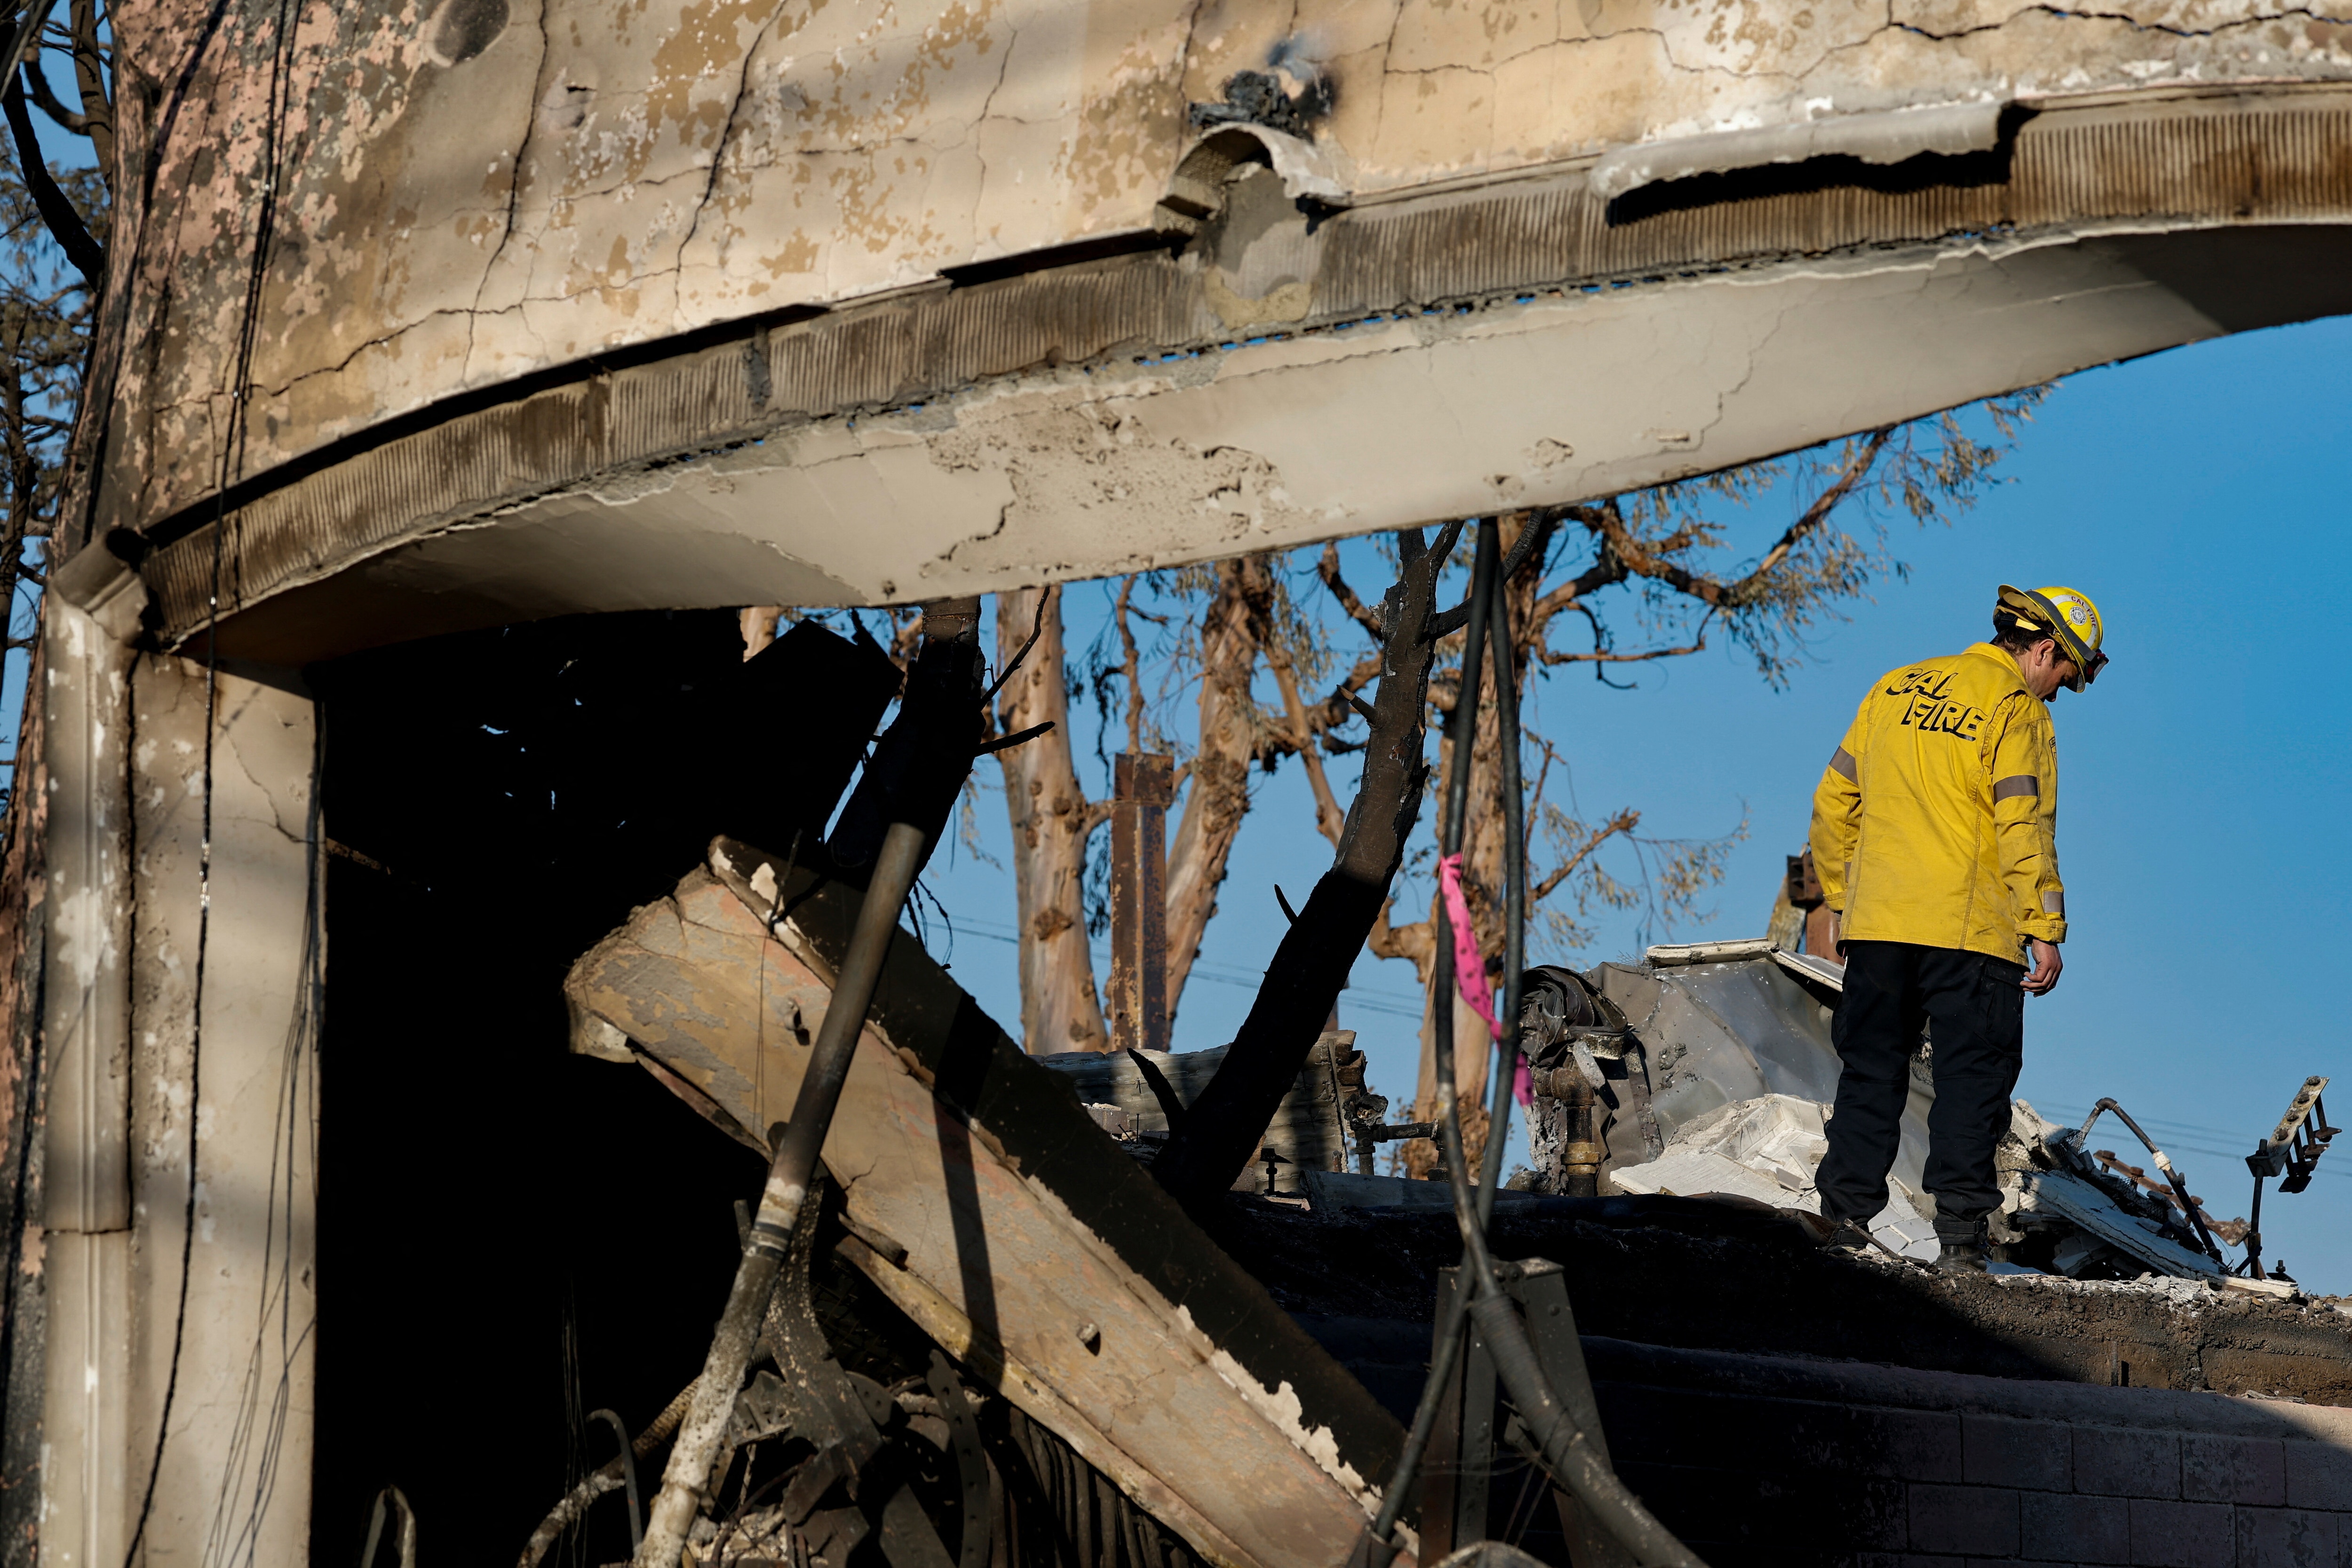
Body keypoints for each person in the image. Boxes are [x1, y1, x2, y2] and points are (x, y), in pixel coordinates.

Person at [1808, 584, 2108, 1273]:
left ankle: (1843, 1227)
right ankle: (1962, 1246)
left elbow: (1833, 801)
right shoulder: (2016, 708)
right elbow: (2023, 824)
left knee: (1871, 1071)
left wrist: (1847, 899)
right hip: (1970, 932)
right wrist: (2044, 925)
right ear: (2042, 650)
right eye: (2065, 676)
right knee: (1973, 1081)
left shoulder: (1893, 689)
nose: (2059, 693)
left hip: (1881, 927)